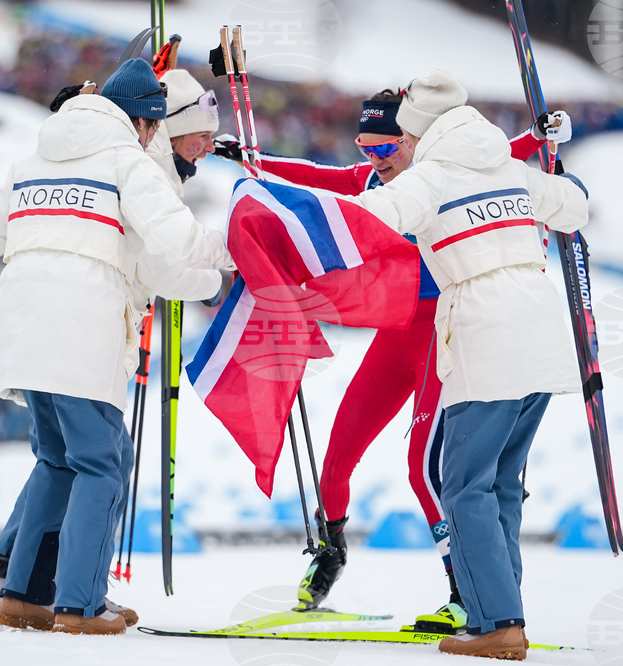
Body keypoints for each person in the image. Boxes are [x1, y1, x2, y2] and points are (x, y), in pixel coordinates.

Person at [216, 91, 572, 633]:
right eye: (365, 146)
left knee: (425, 468)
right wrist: (250, 160)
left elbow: (500, 157)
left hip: (443, 336)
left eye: (385, 145)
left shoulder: (439, 177)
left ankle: (464, 589)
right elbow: (315, 177)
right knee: (338, 457)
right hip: (395, 336)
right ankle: (331, 549)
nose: (376, 159)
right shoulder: (372, 183)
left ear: (412, 142)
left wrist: (539, 138)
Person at [0, 57, 232, 636]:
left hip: (23, 325)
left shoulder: (30, 160)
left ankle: (22, 594)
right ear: (141, 122)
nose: (154, 136)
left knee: (56, 460)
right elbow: (178, 242)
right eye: (154, 125)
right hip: (82, 328)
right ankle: (79, 605)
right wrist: (230, 261)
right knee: (103, 464)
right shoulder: (127, 163)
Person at [348, 67, 588, 660]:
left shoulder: (427, 178)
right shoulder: (509, 167)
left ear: (418, 130)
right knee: (501, 484)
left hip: (486, 332)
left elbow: (367, 222)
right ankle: (502, 615)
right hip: (541, 330)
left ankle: (496, 623)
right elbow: (575, 206)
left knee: (463, 485)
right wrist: (557, 171)